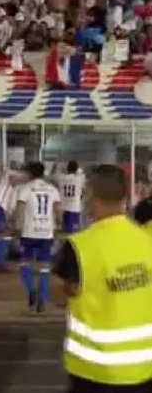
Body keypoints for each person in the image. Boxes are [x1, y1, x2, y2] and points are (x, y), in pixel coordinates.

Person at [52, 164, 152, 393]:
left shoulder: (79, 246)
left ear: (90, 194)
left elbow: (57, 296)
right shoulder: (146, 239)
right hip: (145, 368)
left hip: (95, 371)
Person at [13, 161, 62, 313]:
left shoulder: (25, 189)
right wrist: (57, 227)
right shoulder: (52, 190)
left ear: (30, 173)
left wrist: (16, 228)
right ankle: (42, 300)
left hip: (29, 232)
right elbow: (59, 211)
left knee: (25, 264)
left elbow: (19, 211)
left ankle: (31, 290)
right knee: (44, 268)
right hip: (46, 232)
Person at [55, 161, 85, 234]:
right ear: (76, 169)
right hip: (74, 208)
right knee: (73, 233)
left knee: (61, 231)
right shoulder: (79, 178)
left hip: (62, 207)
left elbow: (57, 173)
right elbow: (81, 172)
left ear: (67, 169)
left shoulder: (61, 178)